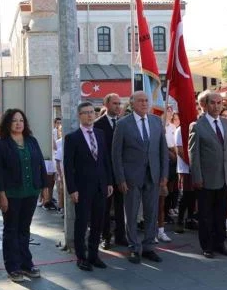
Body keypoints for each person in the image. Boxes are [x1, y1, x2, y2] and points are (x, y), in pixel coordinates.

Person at [111, 91, 169, 264]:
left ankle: (149, 247)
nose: (144, 103)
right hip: (131, 178)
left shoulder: (156, 121)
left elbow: (163, 150)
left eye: (146, 100)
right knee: (132, 212)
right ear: (132, 103)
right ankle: (134, 247)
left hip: (153, 175)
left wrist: (164, 175)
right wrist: (120, 179)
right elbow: (116, 154)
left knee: (152, 213)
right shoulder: (123, 124)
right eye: (140, 101)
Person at [0, 109, 47, 282]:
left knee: (24, 229)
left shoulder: (31, 141)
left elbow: (40, 164)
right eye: (14, 120)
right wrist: (2, 195)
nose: (18, 123)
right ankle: (13, 266)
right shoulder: (2, 144)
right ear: (7, 123)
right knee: (11, 230)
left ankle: (26, 263)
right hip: (12, 194)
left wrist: (45, 187)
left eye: (21, 120)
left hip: (31, 192)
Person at [63, 102, 113, 271]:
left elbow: (105, 160)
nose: (90, 115)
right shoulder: (72, 138)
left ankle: (94, 255)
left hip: (100, 186)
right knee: (82, 223)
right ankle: (81, 257)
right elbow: (68, 166)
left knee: (98, 222)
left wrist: (109, 182)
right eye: (86, 113)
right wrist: (72, 189)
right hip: (82, 188)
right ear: (79, 115)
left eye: (92, 112)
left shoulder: (100, 134)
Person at [189, 90, 227, 259]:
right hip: (206, 179)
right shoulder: (197, 126)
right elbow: (193, 155)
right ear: (205, 105)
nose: (216, 106)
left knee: (221, 213)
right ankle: (207, 246)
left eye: (219, 103)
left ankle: (220, 243)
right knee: (206, 215)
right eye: (213, 103)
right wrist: (197, 178)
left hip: (225, 178)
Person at [94, 93, 126, 249]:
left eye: (119, 103)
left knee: (121, 206)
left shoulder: (123, 123)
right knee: (105, 207)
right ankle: (105, 237)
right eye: (115, 103)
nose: (118, 106)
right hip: (105, 174)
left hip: (121, 173)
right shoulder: (97, 124)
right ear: (106, 104)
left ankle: (121, 236)